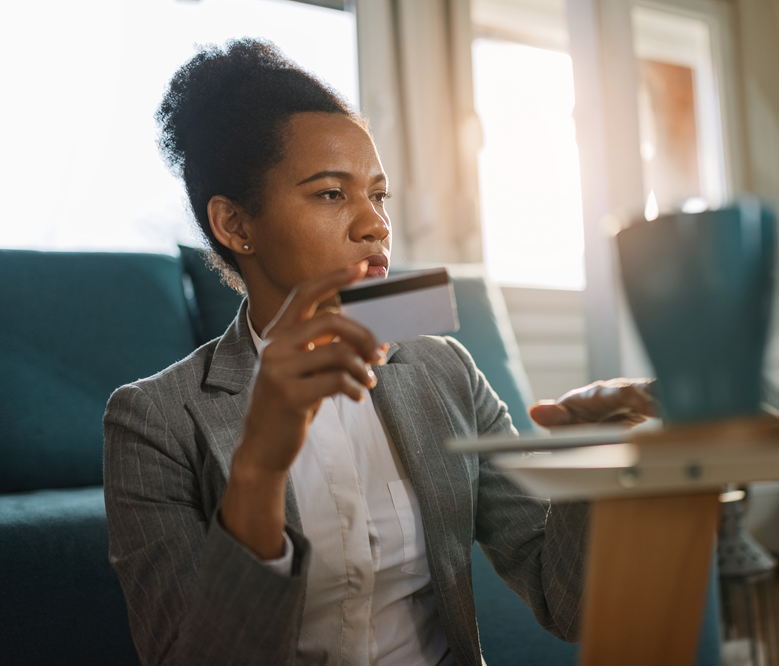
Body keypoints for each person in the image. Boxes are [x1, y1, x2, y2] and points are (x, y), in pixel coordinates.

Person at [103, 38, 653, 666]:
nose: (376, 225)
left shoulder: (444, 371)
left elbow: (568, 606)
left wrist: (591, 461)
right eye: (331, 194)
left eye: (379, 195)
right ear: (235, 225)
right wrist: (258, 467)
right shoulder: (153, 421)